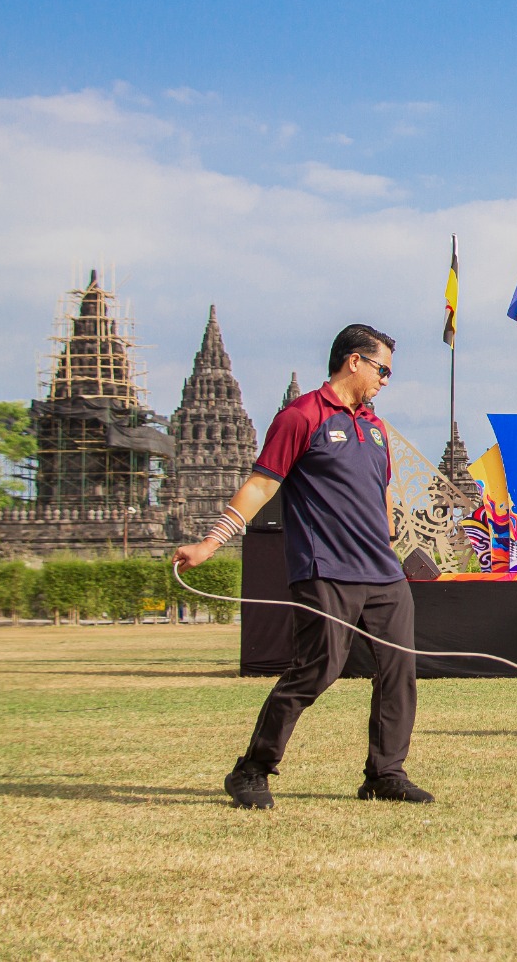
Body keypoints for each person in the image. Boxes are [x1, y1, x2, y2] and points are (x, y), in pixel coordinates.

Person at [174, 324, 432, 809]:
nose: (385, 380)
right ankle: (252, 769)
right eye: (382, 370)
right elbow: (260, 485)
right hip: (326, 569)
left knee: (400, 670)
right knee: (318, 669)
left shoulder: (374, 427)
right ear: (353, 361)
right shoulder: (302, 416)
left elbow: (383, 485)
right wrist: (210, 543)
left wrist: (390, 518)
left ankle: (385, 773)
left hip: (383, 573)